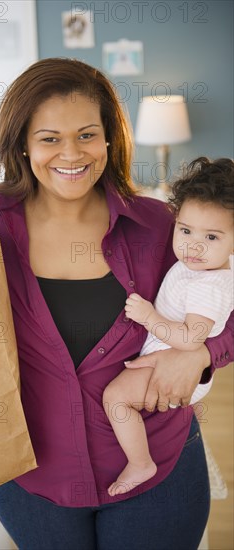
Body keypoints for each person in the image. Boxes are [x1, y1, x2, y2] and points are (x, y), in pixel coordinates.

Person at [0, 58, 234, 550]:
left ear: (109, 138)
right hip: (30, 478)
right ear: (22, 143)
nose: (71, 154)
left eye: (87, 135)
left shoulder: (159, 225)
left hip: (159, 472)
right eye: (49, 138)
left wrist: (201, 354)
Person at [103, 157, 234, 497]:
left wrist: (149, 318)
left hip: (175, 361)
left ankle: (140, 462)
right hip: (166, 351)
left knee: (116, 398)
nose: (193, 245)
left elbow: (192, 338)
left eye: (212, 237)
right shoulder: (198, 266)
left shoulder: (209, 284)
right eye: (186, 230)